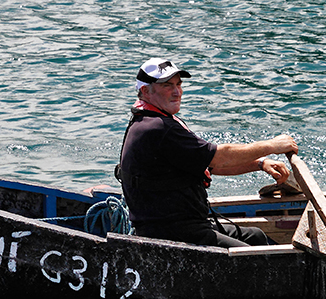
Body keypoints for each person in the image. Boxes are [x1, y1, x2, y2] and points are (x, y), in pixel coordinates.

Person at [116, 58, 298, 248]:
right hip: (172, 231)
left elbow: (210, 164)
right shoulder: (158, 128)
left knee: (256, 237)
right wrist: (272, 145)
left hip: (189, 224)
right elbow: (219, 156)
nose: (177, 92)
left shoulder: (150, 121)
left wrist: (259, 164)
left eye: (179, 84)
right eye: (167, 85)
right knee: (251, 256)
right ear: (146, 91)